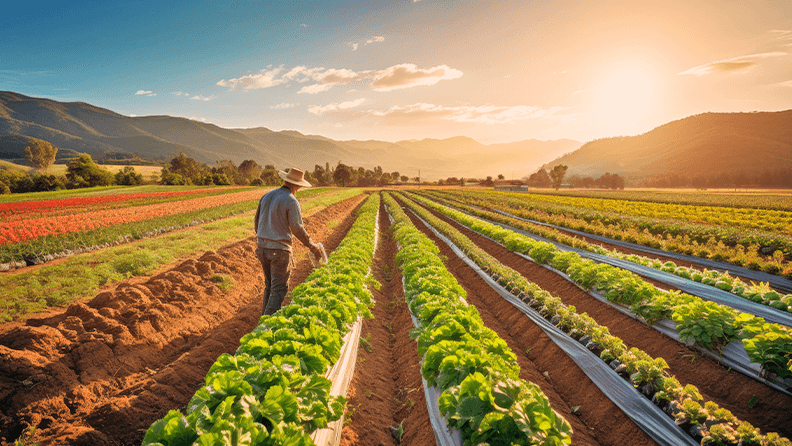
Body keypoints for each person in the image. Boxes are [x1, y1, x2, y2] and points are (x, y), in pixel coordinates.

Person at [254, 167, 324, 315]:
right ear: (297, 185)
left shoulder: (266, 196)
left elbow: (256, 221)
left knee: (270, 286)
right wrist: (312, 246)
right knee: (278, 289)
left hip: (262, 247)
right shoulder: (291, 200)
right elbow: (297, 228)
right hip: (279, 250)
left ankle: (263, 321)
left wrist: (264, 238)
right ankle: (265, 326)